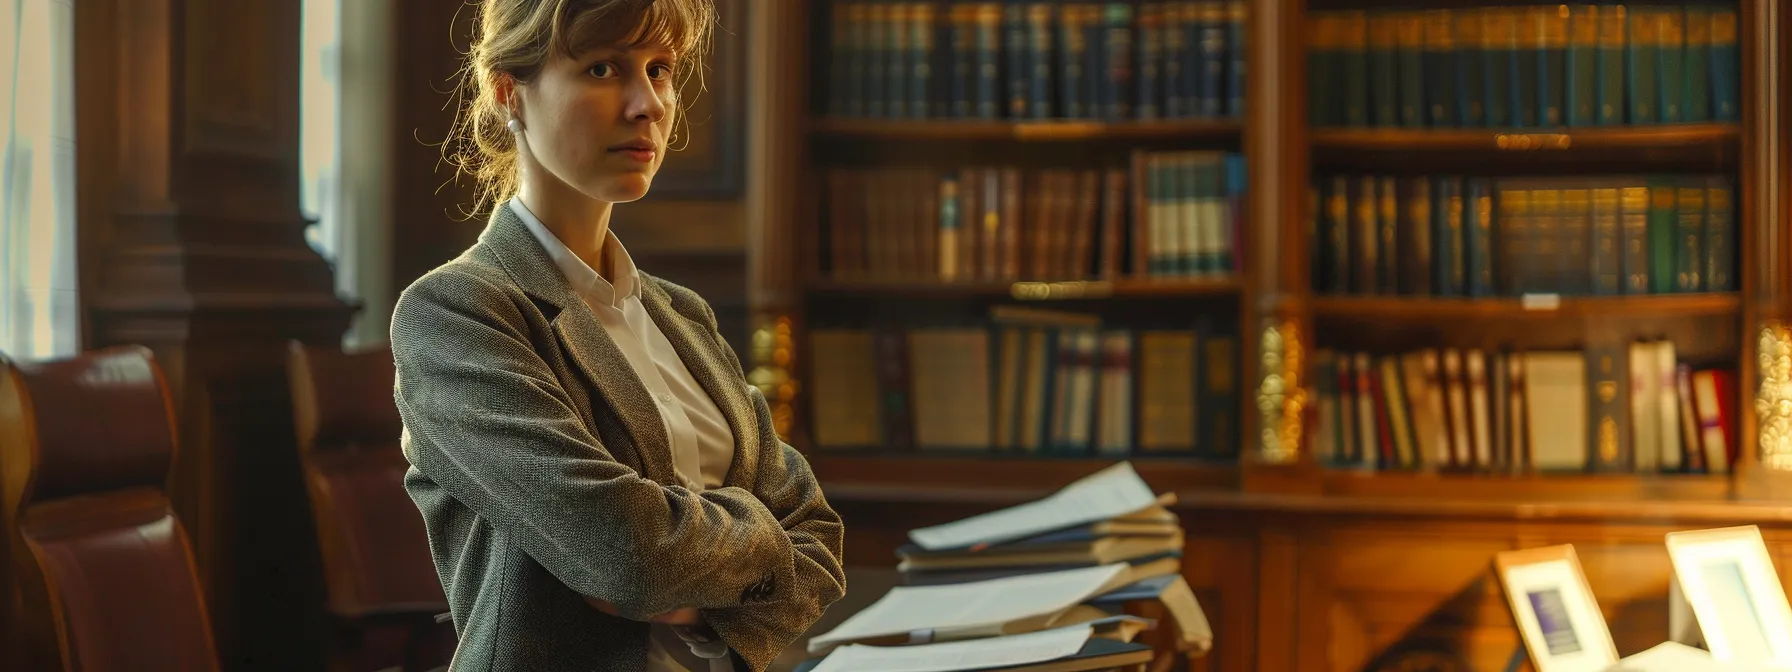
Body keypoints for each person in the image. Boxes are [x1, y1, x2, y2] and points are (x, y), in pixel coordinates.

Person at [388, 1, 846, 670]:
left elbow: (821, 536)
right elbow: (624, 553)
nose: (648, 104)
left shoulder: (681, 315)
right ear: (507, 92)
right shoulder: (455, 313)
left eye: (659, 69)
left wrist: (685, 576)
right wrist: (756, 535)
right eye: (603, 68)